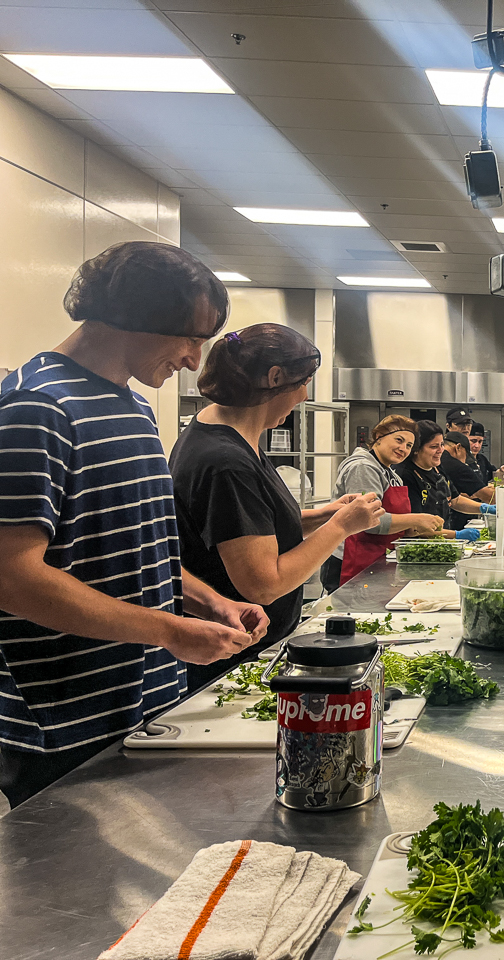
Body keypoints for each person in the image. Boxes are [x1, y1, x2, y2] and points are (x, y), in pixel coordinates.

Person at [0, 241, 269, 807]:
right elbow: (14, 579)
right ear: (130, 316)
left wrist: (205, 601)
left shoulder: (135, 408)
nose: (195, 361)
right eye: (190, 338)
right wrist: (169, 630)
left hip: (147, 700)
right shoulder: (37, 408)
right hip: (65, 720)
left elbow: (135, 547)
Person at [169, 324, 385, 689]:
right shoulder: (225, 461)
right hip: (231, 659)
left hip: (254, 648)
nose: (303, 397)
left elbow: (249, 530)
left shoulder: (232, 438)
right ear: (274, 378)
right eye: (303, 384)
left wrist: (324, 515)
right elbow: (263, 585)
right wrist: (341, 527)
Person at [320, 416, 442, 592]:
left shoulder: (392, 475)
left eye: (409, 445)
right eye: (399, 440)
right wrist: (417, 519)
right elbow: (368, 522)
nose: (403, 449)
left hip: (375, 559)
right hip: (350, 561)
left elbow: (391, 520)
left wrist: (411, 529)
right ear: (378, 436)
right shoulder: (363, 467)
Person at [399, 420, 491, 539]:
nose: (441, 450)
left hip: (440, 540)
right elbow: (414, 528)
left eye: (442, 445)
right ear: (416, 449)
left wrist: (484, 508)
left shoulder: (437, 467)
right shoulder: (406, 476)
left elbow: (455, 500)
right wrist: (456, 535)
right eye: (434, 446)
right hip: (418, 546)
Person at [440, 430, 495, 512]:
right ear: (458, 447)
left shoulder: (436, 462)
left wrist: (483, 508)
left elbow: (455, 499)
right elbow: (489, 496)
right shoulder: (456, 466)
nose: (465, 461)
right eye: (466, 456)